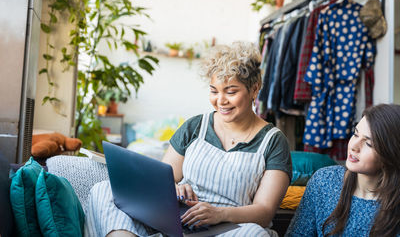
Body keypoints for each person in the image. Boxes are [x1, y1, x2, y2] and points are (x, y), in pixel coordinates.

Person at [85, 41, 292, 237]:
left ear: (255, 88)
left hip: (229, 228)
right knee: (103, 190)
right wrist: (175, 189)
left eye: (231, 91)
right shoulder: (195, 127)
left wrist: (219, 213)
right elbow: (162, 182)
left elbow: (264, 211)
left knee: (255, 234)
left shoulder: (273, 142)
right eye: (214, 91)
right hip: (178, 221)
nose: (220, 101)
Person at [285, 104, 400, 237]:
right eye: (356, 134)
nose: (354, 147)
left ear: (391, 153)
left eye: (368, 143)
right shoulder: (324, 181)